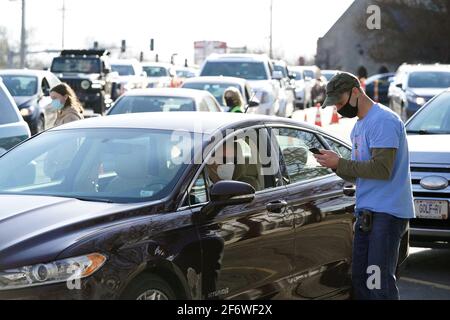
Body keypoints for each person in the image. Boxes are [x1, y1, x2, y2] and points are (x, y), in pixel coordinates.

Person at [316, 72, 414, 300]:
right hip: (368, 214)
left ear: (356, 92)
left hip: (387, 214)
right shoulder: (359, 126)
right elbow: (362, 174)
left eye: (340, 102)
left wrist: (340, 162)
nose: (338, 109)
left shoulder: (384, 121)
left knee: (377, 284)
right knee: (361, 281)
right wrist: (335, 165)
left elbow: (382, 170)